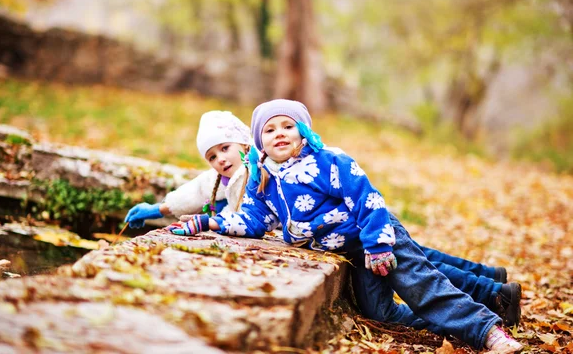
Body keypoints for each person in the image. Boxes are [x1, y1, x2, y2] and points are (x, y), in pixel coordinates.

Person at [169, 99, 523, 353]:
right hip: (349, 252)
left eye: (288, 126)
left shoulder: (329, 161)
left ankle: (488, 332)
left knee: (420, 285)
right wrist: (208, 222)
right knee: (379, 313)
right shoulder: (262, 179)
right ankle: (470, 315)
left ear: (304, 130)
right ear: (258, 140)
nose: (280, 134)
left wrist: (379, 244)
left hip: (376, 235)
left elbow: (368, 199)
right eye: (270, 129)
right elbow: (252, 221)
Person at [123, 110, 251, 228]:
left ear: (244, 143)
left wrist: (212, 222)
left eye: (225, 148)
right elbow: (197, 190)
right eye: (212, 157)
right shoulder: (221, 178)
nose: (220, 159)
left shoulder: (262, 170)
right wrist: (158, 210)